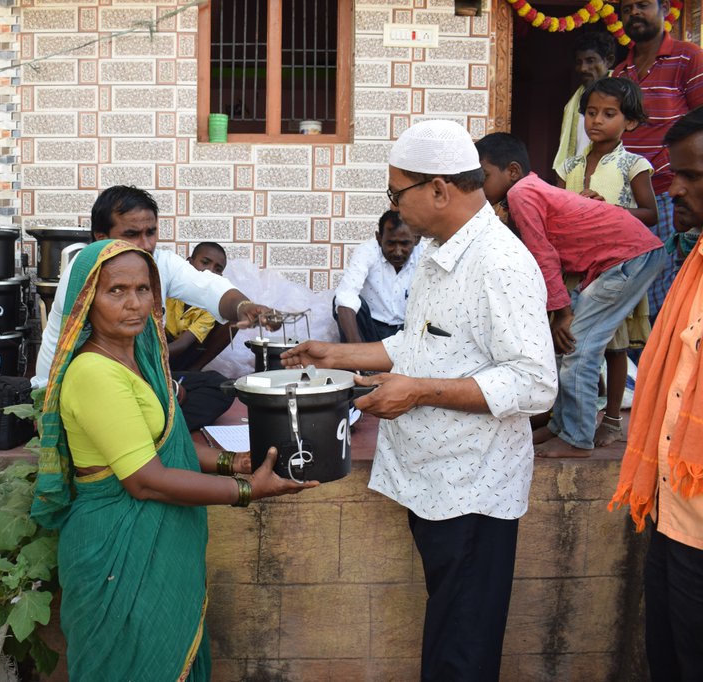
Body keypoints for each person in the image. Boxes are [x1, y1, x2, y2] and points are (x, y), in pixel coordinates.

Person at [282, 120, 557, 682]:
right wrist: (339, 356)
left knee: (462, 650)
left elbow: (534, 382)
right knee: (449, 631)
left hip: (473, 490)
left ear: (438, 189)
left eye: (395, 193)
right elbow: (422, 341)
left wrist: (420, 391)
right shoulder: (438, 251)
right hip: (435, 482)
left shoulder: (499, 262)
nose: (392, 207)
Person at [31, 239, 316, 681]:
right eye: (116, 291)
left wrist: (232, 463)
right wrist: (247, 490)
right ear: (87, 300)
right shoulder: (93, 373)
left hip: (152, 542)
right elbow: (145, 479)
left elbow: (166, 444)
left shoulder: (140, 359)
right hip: (115, 550)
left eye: (144, 289)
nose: (134, 304)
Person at [476, 132, 665, 458]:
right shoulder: (527, 190)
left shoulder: (522, 193)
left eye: (484, 177)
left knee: (578, 347)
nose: (479, 188)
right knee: (565, 348)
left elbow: (543, 255)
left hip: (629, 257)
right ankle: (562, 425)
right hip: (617, 261)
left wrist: (563, 314)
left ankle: (577, 438)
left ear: (513, 171)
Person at [609, 106, 703, 682]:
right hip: (675, 517)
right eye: (676, 174)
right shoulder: (694, 260)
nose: (677, 189)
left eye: (694, 176)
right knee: (668, 659)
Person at [34, 186, 274, 382]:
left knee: (215, 388)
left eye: (151, 232)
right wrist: (47, 397)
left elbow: (208, 286)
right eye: (131, 234)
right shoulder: (82, 274)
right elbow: (65, 347)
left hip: (144, 376)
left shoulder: (161, 263)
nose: (146, 244)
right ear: (101, 237)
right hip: (89, 379)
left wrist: (243, 306)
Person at [557, 76, 657, 446]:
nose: (597, 120)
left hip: (615, 269)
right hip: (574, 269)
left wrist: (607, 211)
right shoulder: (569, 166)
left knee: (614, 347)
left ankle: (612, 421)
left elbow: (650, 213)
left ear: (628, 122)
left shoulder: (633, 164)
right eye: (591, 113)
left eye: (609, 114)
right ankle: (562, 417)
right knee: (569, 344)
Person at [613, 0, 703, 318]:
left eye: (643, 5)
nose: (634, 13)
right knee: (635, 284)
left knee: (668, 283)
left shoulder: (688, 57)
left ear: (664, 8)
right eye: (626, 9)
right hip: (629, 198)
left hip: (672, 190)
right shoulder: (620, 72)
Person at [332, 210, 423, 343]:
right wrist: (356, 350)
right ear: (379, 238)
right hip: (371, 329)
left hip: (407, 331)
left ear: (416, 239)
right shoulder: (367, 251)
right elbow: (346, 296)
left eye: (404, 244)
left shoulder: (426, 255)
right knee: (342, 301)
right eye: (391, 243)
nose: (398, 252)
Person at [553, 30, 617, 177]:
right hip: (580, 175)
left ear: (609, 60)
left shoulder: (623, 94)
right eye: (579, 62)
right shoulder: (575, 101)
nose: (583, 68)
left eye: (590, 61)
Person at [166, 241, 231, 371]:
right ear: (189, 262)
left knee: (231, 315)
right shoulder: (169, 285)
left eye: (217, 269)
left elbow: (183, 344)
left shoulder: (211, 303)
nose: (210, 271)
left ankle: (192, 372)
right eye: (205, 262)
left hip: (182, 352)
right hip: (156, 348)